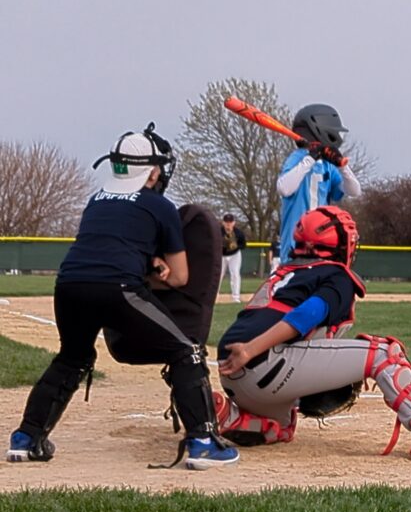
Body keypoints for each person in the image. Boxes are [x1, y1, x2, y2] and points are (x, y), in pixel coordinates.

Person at [6, 124, 239, 470]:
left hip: (68, 285)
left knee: (72, 357)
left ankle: (27, 437)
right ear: (151, 172)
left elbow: (106, 247)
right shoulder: (158, 206)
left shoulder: (96, 200)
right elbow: (180, 277)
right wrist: (154, 269)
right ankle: (204, 443)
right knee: (186, 351)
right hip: (117, 288)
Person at [215, 206, 411, 460]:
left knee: (280, 427)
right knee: (385, 353)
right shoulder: (336, 274)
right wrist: (252, 350)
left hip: (233, 375)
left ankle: (230, 417)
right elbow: (306, 316)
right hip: (265, 360)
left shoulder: (285, 273)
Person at [276, 104, 361, 264]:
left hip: (321, 244)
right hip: (295, 246)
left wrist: (342, 166)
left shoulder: (328, 165)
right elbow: (284, 188)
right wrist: (310, 159)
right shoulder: (298, 158)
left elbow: (354, 190)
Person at [219, 213, 247, 303]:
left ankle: (236, 297)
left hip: (235, 255)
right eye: (226, 222)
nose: (228, 224)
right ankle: (214, 296)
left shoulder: (238, 233)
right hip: (221, 255)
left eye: (230, 222)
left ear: (234, 223)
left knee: (235, 274)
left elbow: (243, 245)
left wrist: (236, 246)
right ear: (223, 223)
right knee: (218, 275)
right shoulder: (218, 232)